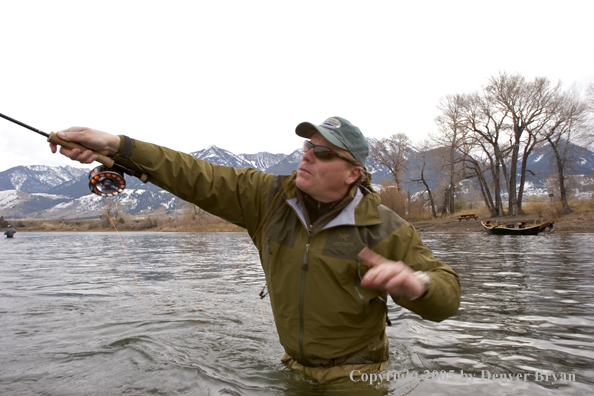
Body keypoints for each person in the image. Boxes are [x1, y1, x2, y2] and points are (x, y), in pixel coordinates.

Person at [50, 116, 460, 382]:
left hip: (357, 377)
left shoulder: (386, 228)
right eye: (306, 148)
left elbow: (447, 298)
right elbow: (193, 174)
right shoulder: (265, 199)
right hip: (292, 370)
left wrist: (417, 285)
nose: (307, 157)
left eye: (321, 153)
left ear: (353, 173)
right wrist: (118, 145)